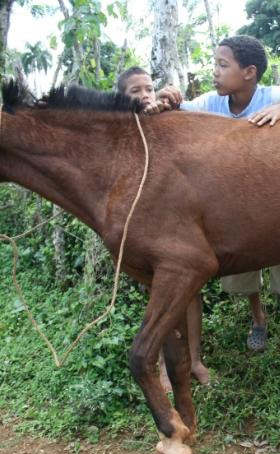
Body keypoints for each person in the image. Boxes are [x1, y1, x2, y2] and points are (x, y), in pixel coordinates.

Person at [153, 35, 280, 362]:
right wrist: (165, 97)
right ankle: (259, 319)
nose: (214, 72)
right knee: (244, 271)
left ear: (249, 73)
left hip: (274, 208)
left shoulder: (271, 96)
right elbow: (176, 109)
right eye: (215, 64)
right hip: (233, 215)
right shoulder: (211, 103)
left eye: (222, 65)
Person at [116, 66, 210, 392]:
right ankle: (166, 370)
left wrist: (171, 103)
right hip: (145, 228)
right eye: (135, 92)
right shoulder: (119, 130)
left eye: (148, 89)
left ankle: (194, 361)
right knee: (160, 297)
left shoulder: (164, 115)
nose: (145, 96)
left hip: (178, 219)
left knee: (190, 293)